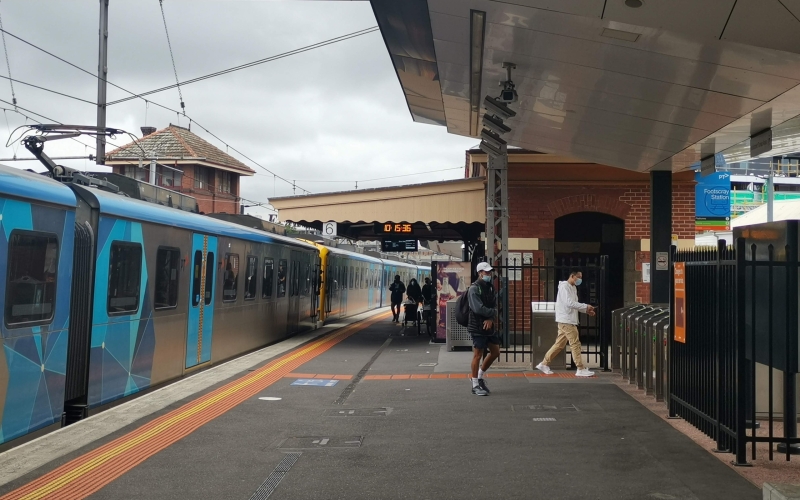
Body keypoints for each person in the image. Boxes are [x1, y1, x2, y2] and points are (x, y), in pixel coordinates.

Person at [536, 270, 596, 377]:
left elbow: (574, 304)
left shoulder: (572, 288)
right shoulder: (564, 287)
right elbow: (569, 303)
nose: (580, 280)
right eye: (578, 277)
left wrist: (586, 310)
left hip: (566, 319)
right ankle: (580, 368)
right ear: (572, 276)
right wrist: (585, 307)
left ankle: (544, 363)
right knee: (575, 343)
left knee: (559, 344)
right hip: (566, 320)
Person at [468, 262, 500, 396]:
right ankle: (475, 384)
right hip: (477, 326)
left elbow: (494, 304)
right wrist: (492, 314)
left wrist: (491, 318)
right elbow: (477, 308)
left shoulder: (490, 287)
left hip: (489, 324)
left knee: (495, 352)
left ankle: (480, 376)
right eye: (486, 272)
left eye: (490, 272)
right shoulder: (474, 289)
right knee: (478, 354)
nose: (489, 274)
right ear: (479, 273)